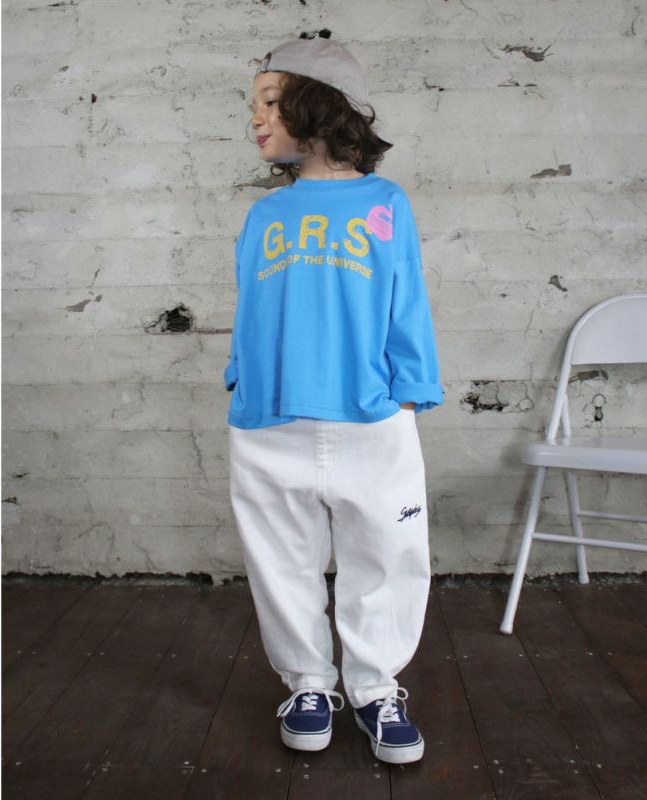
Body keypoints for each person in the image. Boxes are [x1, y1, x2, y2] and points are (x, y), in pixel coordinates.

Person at [223, 30, 444, 765]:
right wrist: (239, 376)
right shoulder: (265, 215)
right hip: (270, 420)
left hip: (369, 415)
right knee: (280, 562)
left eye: (270, 101)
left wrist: (410, 392)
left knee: (387, 554)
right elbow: (253, 309)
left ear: (317, 106)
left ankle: (375, 687)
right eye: (254, 105)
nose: (255, 118)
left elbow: (406, 300)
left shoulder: (386, 203)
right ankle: (309, 683)